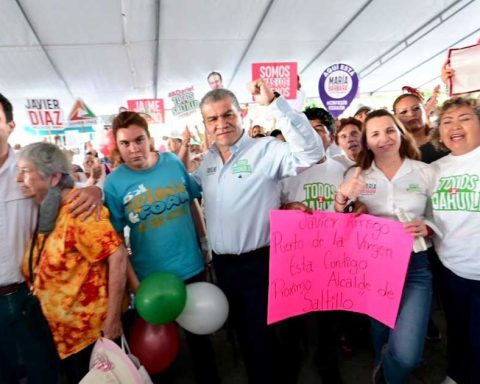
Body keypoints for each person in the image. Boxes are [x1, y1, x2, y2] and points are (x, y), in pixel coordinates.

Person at [189, 79, 324, 383]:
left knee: (264, 341)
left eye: (227, 115)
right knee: (245, 339)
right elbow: (181, 190)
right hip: (224, 267)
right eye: (213, 118)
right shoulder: (207, 162)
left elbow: (311, 153)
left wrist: (277, 103)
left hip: (261, 263)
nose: (221, 123)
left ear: (242, 114)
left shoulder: (266, 150)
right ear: (205, 124)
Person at [103, 111, 220, 384]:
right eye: (125, 144)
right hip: (151, 281)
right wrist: (135, 285)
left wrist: (204, 243)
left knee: (202, 347)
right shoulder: (114, 183)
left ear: (150, 138)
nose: (134, 149)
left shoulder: (171, 163)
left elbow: (192, 202)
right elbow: (116, 240)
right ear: (117, 147)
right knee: (158, 355)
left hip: (191, 267)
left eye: (139, 140)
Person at [0, 93, 102, 384]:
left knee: (42, 372)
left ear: (10, 125)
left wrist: (96, 191)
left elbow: (74, 191)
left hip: (27, 297)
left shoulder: (29, 168)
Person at [16, 142, 127, 384]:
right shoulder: (46, 209)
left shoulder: (78, 209)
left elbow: (117, 255)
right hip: (63, 337)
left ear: (54, 177)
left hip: (90, 336)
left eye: (25, 171)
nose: (18, 179)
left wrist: (112, 320)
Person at [335, 109, 433, 384]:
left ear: (400, 133)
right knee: (380, 328)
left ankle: (387, 372)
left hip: (415, 263)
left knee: (408, 353)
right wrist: (343, 199)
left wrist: (428, 228)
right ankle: (385, 368)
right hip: (373, 264)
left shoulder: (424, 172)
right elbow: (342, 219)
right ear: (367, 141)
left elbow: (439, 216)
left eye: (390, 130)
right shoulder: (357, 174)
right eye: (375, 133)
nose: (384, 138)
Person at [427, 97, 480, 384]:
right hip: (452, 269)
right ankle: (456, 373)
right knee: (457, 329)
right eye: (447, 121)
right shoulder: (434, 170)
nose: (455, 126)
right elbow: (426, 215)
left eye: (465, 118)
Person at [393, 93, 449, 164]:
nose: (411, 114)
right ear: (395, 117)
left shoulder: (444, 137)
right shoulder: (396, 151)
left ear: (425, 110)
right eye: (404, 112)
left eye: (416, 108)